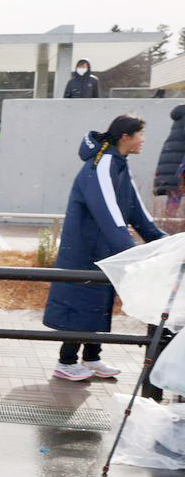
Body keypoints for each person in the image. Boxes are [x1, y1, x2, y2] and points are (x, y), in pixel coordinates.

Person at [43, 115, 164, 380]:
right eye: (140, 134)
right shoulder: (103, 164)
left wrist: (164, 243)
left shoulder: (119, 164)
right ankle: (65, 362)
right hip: (84, 250)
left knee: (97, 305)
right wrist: (134, 253)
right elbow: (109, 214)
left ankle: (91, 358)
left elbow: (137, 212)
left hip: (102, 250)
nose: (143, 140)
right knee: (80, 307)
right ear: (126, 137)